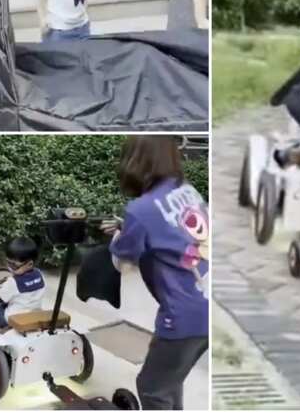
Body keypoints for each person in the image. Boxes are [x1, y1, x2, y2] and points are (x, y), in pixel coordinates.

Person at [102, 136, 209, 410]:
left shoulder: (141, 209)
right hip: (209, 302)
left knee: (152, 388)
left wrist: (119, 237)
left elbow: (122, 263)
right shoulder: (186, 189)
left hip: (185, 315)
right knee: (169, 380)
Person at [0, 237, 46, 328]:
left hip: (12, 319)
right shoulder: (40, 275)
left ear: (30, 264)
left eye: (14, 265)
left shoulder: (13, 282)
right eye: (8, 263)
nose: (10, 268)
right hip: (33, 314)